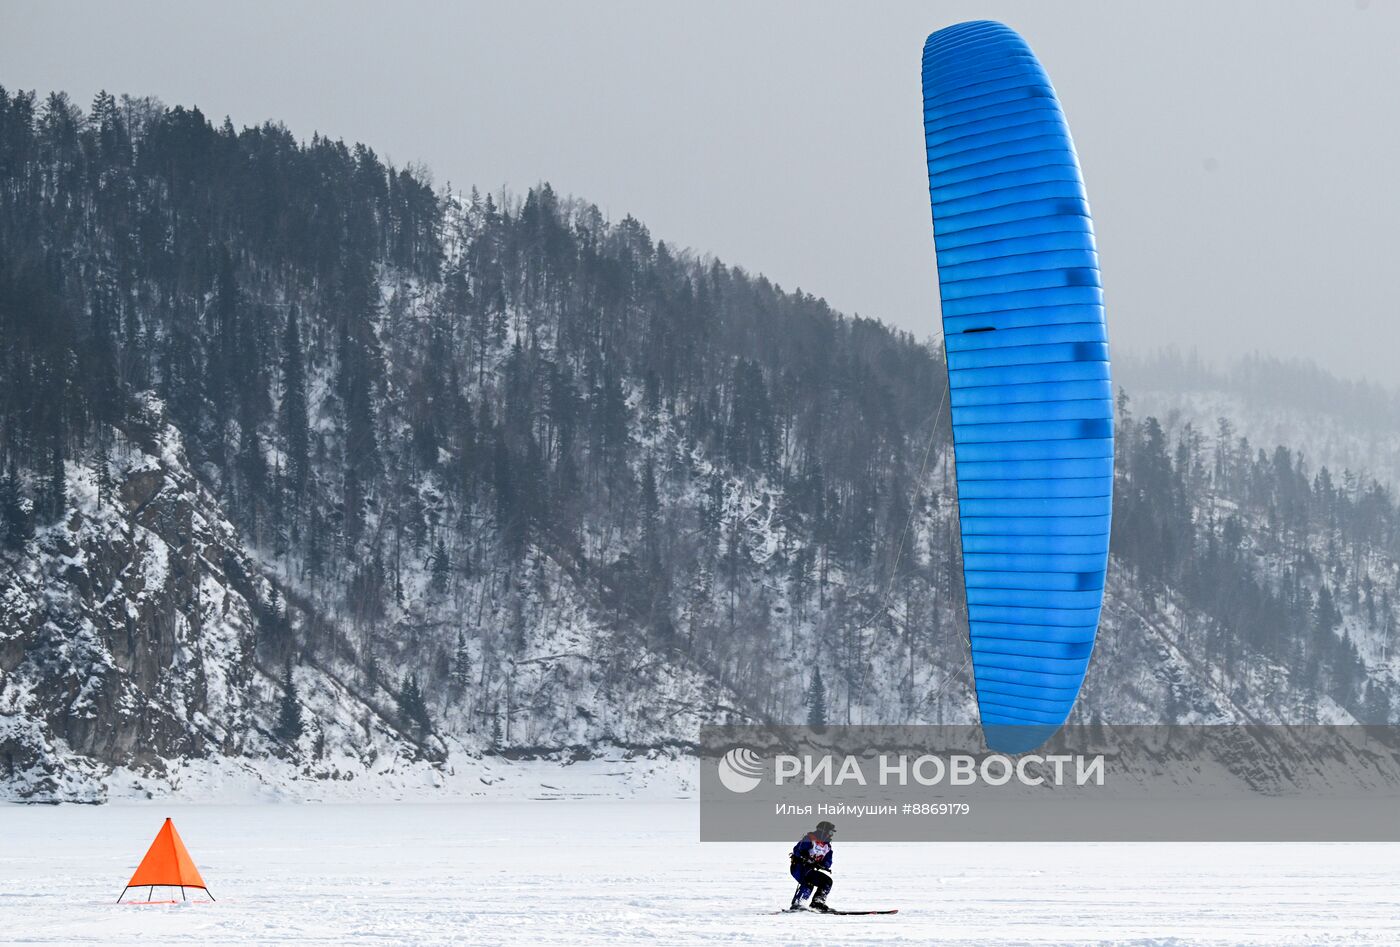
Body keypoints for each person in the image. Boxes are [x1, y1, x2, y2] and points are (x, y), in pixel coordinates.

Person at [788, 820, 835, 911]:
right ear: (823, 831)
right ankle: (798, 904)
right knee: (808, 882)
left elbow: (828, 861)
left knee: (827, 882)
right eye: (830, 832)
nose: (831, 835)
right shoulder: (809, 839)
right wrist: (804, 856)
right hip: (799, 867)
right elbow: (797, 850)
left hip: (809, 869)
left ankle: (817, 903)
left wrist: (823, 865)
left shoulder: (827, 846)